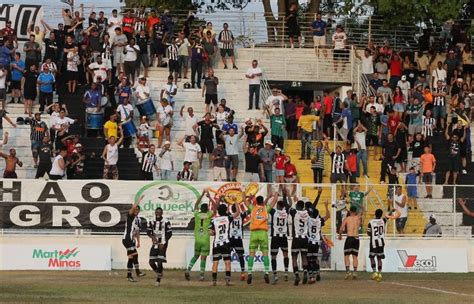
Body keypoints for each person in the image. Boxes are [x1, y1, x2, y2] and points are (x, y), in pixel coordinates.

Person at [246, 192, 278, 284]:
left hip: (254, 233)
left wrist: (247, 195)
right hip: (263, 233)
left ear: (256, 202)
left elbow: (245, 201)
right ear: (263, 202)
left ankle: (249, 273)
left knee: (251, 254)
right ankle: (267, 273)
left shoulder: (253, 208)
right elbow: (274, 201)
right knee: (265, 254)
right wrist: (275, 194)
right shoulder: (265, 208)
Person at [185, 190, 214, 281]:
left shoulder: (197, 215)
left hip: (197, 239)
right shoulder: (209, 215)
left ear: (201, 209)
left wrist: (201, 195)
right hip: (205, 239)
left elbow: (195, 205)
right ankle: (201, 275)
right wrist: (209, 197)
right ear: (207, 209)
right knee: (203, 257)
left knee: (196, 255)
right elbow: (215, 207)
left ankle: (188, 269)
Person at [209, 203, 240, 286]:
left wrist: (214, 232)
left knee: (215, 263)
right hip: (226, 243)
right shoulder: (227, 218)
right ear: (226, 210)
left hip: (216, 243)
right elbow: (237, 213)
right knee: (227, 262)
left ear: (218, 212)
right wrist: (236, 201)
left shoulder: (214, 220)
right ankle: (227, 281)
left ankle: (214, 281)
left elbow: (210, 233)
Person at [123, 195, 146, 282]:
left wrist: (138, 242)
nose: (136, 211)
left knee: (133, 256)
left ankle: (136, 273)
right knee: (132, 256)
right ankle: (130, 275)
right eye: (135, 209)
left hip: (132, 240)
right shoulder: (130, 216)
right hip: (127, 239)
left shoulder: (138, 220)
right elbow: (133, 207)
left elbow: (137, 232)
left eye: (137, 210)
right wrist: (139, 200)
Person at [147, 207, 172, 287]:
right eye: (156, 212)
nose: (158, 213)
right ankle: (159, 273)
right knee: (151, 262)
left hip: (163, 244)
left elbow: (169, 233)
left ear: (162, 213)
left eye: (159, 212)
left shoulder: (166, 221)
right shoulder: (151, 221)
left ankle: (158, 280)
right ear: (155, 213)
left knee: (160, 261)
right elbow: (148, 232)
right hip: (155, 244)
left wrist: (163, 243)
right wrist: (152, 237)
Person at [307, 194, 329, 283]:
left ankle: (312, 276)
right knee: (315, 258)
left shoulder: (308, 220)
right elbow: (328, 216)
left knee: (309, 259)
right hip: (316, 242)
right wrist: (326, 207)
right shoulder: (319, 221)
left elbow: (309, 210)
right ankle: (317, 273)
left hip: (309, 241)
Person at [269, 194, 289, 284]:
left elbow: (269, 207)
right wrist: (286, 195)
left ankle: (275, 275)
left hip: (275, 237)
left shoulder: (274, 212)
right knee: (285, 255)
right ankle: (286, 273)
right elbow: (288, 205)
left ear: (277, 206)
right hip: (283, 237)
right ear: (284, 206)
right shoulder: (286, 212)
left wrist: (274, 197)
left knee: (274, 256)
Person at [289, 199, 310, 285]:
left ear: (297, 206)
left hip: (296, 238)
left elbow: (287, 205)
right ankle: (305, 273)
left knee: (294, 258)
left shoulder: (294, 213)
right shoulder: (307, 213)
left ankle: (297, 275)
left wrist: (286, 194)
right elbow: (313, 206)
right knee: (304, 257)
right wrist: (319, 195)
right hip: (305, 238)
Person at [338, 205, 361, 280]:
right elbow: (364, 209)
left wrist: (340, 235)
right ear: (356, 211)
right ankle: (355, 272)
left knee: (346, 256)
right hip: (356, 238)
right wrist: (355, 202)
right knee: (355, 256)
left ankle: (348, 271)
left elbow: (341, 228)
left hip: (350, 237)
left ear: (350, 211)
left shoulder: (347, 219)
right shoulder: (358, 218)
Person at [228, 203, 248, 281]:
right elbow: (247, 212)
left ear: (232, 210)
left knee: (228, 256)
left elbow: (226, 211)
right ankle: (242, 272)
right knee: (240, 256)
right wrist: (242, 206)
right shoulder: (241, 216)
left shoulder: (230, 216)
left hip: (230, 238)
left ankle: (228, 273)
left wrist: (228, 202)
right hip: (238, 238)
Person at [367, 209, 387, 282]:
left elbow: (368, 233)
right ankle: (380, 273)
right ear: (381, 214)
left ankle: (374, 272)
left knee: (372, 257)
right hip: (381, 242)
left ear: (375, 214)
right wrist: (392, 211)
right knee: (379, 258)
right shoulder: (383, 221)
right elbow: (387, 217)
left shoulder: (371, 222)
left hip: (373, 243)